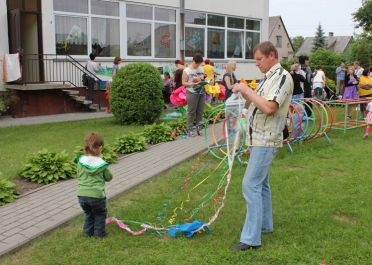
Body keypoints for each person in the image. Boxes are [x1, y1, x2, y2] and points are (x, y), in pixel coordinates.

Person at [230, 41, 293, 250]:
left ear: (272, 56)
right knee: (261, 184)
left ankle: (250, 238)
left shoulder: (282, 77)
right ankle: (265, 225)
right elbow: (257, 102)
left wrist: (247, 91)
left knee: (250, 185)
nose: (257, 64)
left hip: (266, 140)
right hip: (257, 138)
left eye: (259, 59)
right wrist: (242, 102)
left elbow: (268, 107)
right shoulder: (268, 78)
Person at [77, 132, 113, 238]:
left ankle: (87, 233)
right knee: (100, 214)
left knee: (89, 214)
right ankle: (99, 234)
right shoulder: (100, 164)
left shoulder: (81, 162)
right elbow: (109, 177)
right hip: (96, 195)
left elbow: (78, 174)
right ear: (100, 147)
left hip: (82, 195)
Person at [182, 53, 205, 136]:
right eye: (197, 63)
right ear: (193, 61)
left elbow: (202, 78)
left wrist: (203, 81)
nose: (198, 65)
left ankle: (199, 129)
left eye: (200, 64)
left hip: (201, 92)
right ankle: (190, 130)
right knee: (191, 111)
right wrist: (192, 84)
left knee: (200, 111)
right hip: (192, 92)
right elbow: (184, 83)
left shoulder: (201, 69)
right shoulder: (187, 70)